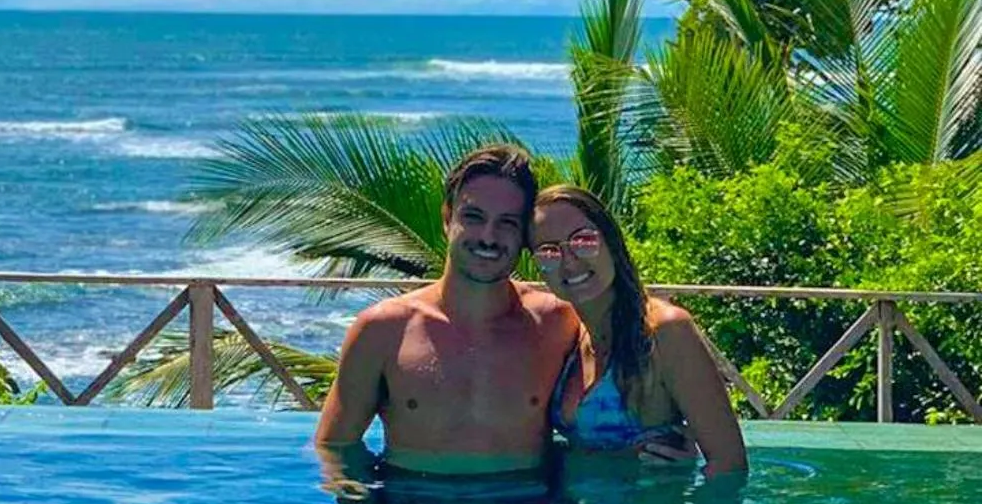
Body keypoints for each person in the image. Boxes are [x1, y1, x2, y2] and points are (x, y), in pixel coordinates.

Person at [313, 143, 577, 476]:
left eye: (507, 223)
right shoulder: (383, 331)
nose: (489, 237)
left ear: (525, 233)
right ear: (447, 218)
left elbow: (621, 410)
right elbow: (334, 449)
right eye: (473, 217)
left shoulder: (557, 325)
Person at [530, 183, 748, 478]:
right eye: (549, 252)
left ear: (611, 241)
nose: (569, 262)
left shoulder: (666, 331)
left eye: (583, 241)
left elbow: (729, 466)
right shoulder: (568, 334)